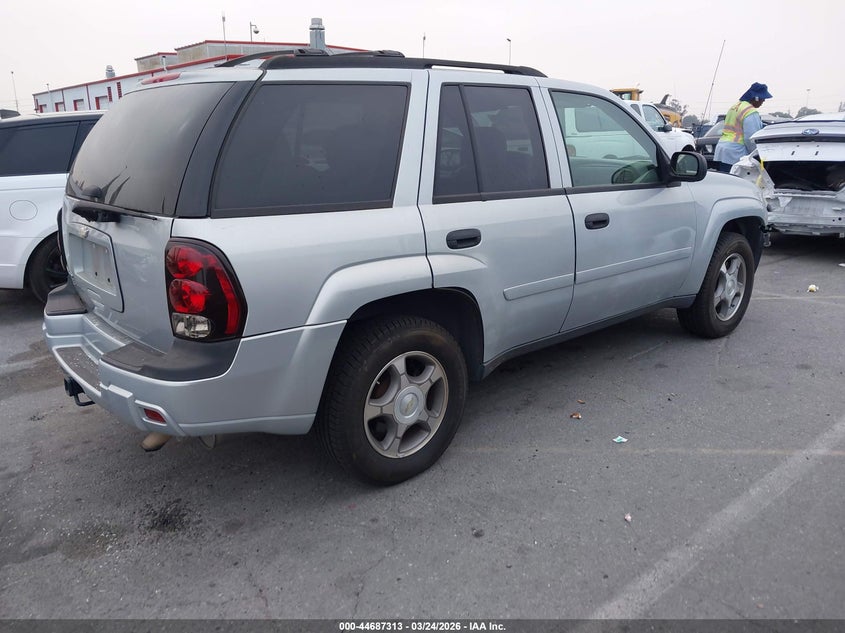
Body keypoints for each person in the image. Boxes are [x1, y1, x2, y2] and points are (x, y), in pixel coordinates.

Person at [714, 82, 772, 173]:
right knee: (737, 183)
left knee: (725, 180)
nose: (763, 101)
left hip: (722, 149)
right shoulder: (750, 111)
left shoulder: (735, 107)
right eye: (762, 98)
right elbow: (751, 138)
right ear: (756, 98)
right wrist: (756, 155)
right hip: (736, 152)